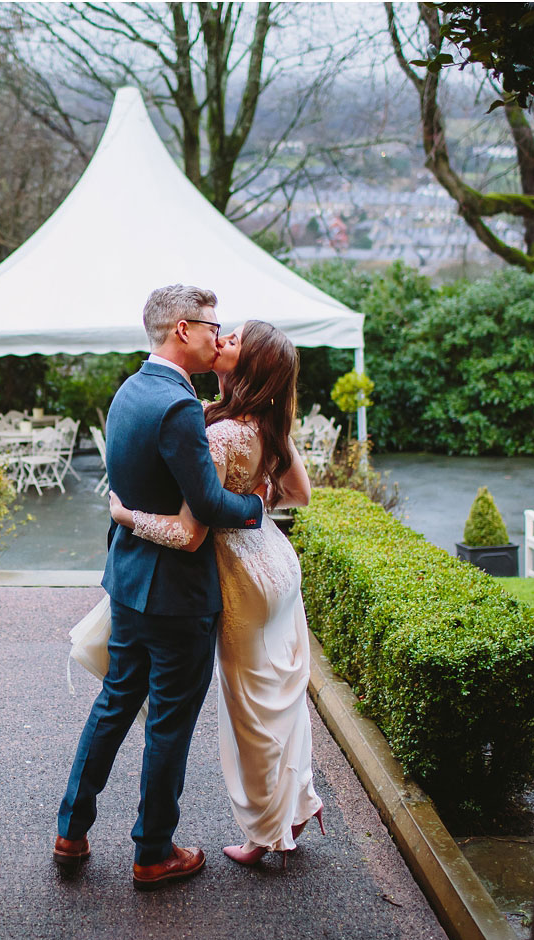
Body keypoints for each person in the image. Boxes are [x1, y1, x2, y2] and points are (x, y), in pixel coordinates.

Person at [54, 284, 267, 891]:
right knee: (168, 724)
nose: (215, 335)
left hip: (128, 582)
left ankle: (71, 829)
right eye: (210, 325)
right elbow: (205, 503)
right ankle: (152, 851)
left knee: (115, 704)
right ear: (182, 329)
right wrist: (257, 504)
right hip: (177, 594)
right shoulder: (177, 406)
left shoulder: (129, 391)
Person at [108, 320, 327, 866]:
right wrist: (259, 498)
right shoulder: (268, 422)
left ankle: (264, 834)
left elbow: (188, 533)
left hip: (243, 579)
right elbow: (301, 493)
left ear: (248, 364)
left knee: (250, 710)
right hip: (277, 565)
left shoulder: (218, 431)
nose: (222, 339)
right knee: (282, 696)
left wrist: (126, 514)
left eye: (234, 341)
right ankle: (298, 803)